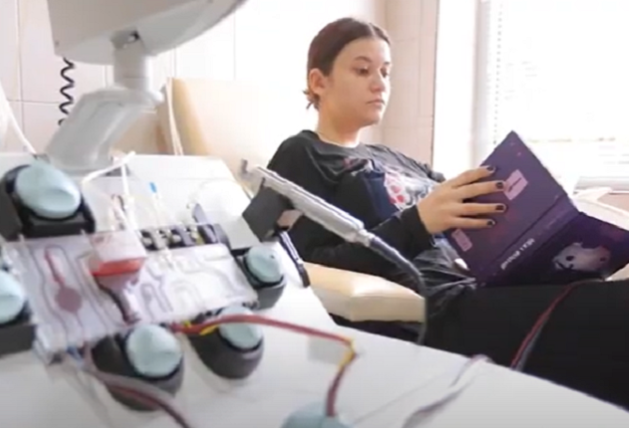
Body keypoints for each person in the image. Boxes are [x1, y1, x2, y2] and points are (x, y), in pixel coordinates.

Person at [267, 17, 629, 408]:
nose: (380, 83)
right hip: (439, 310)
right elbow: (300, 264)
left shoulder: (393, 158)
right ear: (319, 82)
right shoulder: (304, 154)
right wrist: (416, 223)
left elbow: (460, 206)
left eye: (385, 72)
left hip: (478, 285)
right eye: (362, 70)